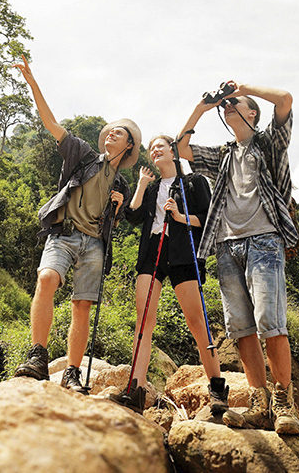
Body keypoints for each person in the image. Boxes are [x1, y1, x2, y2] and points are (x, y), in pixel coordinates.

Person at [174, 80, 299, 435]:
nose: (229, 106)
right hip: (227, 246)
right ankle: (259, 404)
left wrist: (242, 86)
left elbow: (285, 99)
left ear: (252, 113)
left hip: (264, 242)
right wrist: (204, 106)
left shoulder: (269, 144)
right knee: (242, 328)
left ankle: (283, 404)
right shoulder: (223, 153)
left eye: (236, 104)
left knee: (271, 323)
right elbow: (180, 147)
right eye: (226, 105)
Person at [11, 56, 140, 394]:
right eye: (111, 130)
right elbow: (51, 122)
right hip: (64, 234)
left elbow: (126, 218)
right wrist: (32, 81)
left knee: (82, 306)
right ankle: (38, 357)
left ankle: (71, 372)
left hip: (95, 244)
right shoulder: (82, 154)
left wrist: (120, 205)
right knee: (46, 278)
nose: (112, 132)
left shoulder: (122, 186)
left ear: (128, 146)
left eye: (121, 133)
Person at [110, 135, 232, 419]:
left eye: (160, 146)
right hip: (152, 251)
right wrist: (141, 184)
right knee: (144, 320)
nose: (154, 151)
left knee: (196, 321)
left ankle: (217, 386)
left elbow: (211, 219)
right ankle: (136, 389)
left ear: (174, 152)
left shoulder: (194, 182)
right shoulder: (152, 189)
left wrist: (178, 216)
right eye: (152, 148)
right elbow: (134, 216)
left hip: (182, 252)